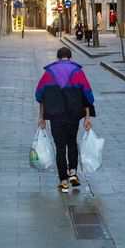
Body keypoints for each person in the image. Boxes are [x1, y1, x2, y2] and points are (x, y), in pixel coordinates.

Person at [35, 46, 96, 193]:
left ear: (58, 57)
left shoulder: (49, 73)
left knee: (60, 147)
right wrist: (87, 116)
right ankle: (73, 172)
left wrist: (41, 117)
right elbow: (87, 95)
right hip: (73, 115)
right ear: (70, 57)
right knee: (72, 142)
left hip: (56, 116)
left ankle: (63, 182)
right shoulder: (77, 72)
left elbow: (39, 95)